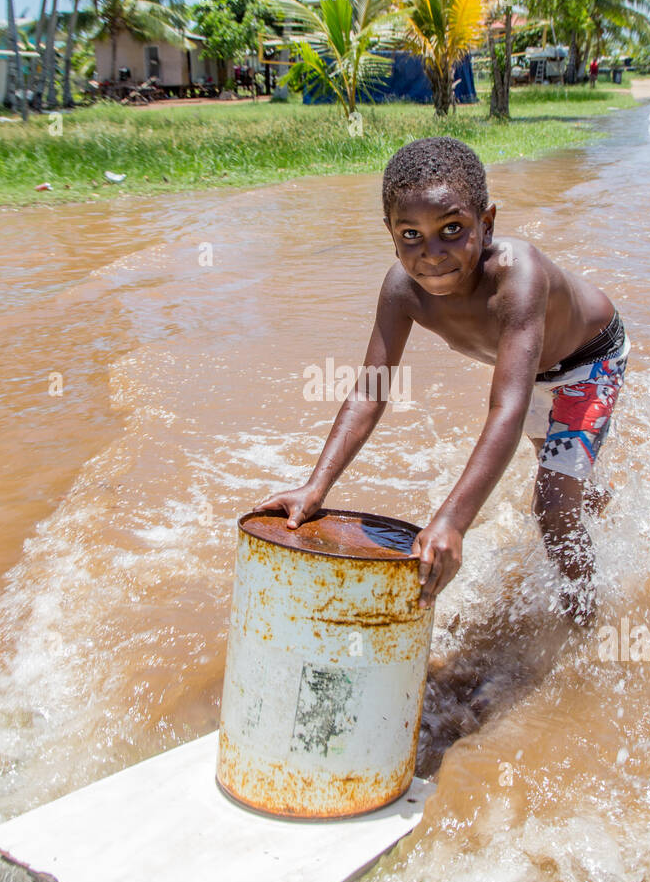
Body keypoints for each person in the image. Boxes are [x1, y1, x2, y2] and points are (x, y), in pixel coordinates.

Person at [255, 136, 630, 624]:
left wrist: (453, 522)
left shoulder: (519, 277)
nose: (431, 254)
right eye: (410, 235)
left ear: (487, 223)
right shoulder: (401, 290)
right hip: (530, 372)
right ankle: (599, 498)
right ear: (390, 233)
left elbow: (507, 409)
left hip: (588, 362)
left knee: (552, 505)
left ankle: (585, 626)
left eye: (452, 229)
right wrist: (315, 487)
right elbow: (370, 392)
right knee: (559, 472)